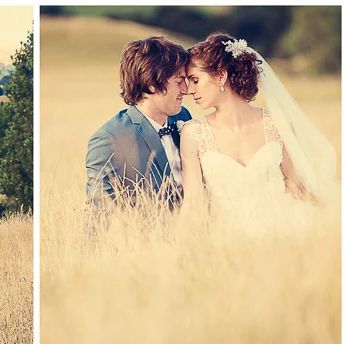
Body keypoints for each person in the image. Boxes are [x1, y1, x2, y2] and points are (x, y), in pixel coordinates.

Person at [179, 33, 339, 237]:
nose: (188, 90)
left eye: (194, 80)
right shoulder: (193, 133)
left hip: (288, 227)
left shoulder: (275, 124)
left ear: (221, 76)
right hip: (229, 237)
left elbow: (296, 186)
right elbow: (193, 204)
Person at [84, 36, 192, 233]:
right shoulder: (109, 139)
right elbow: (96, 219)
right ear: (152, 84)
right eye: (179, 82)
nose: (186, 89)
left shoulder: (183, 117)